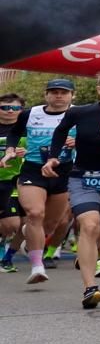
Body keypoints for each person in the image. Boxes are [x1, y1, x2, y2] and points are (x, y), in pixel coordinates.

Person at [45, 68, 100, 307]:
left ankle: (87, 256)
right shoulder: (80, 112)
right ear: (99, 89)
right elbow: (60, 132)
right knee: (89, 225)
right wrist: (53, 157)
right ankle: (90, 288)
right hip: (83, 178)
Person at [16, 78, 76, 282]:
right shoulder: (30, 114)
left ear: (72, 95)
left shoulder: (78, 114)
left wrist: (77, 141)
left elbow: (94, 137)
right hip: (33, 170)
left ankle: (30, 233)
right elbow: (14, 132)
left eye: (64, 92)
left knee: (50, 225)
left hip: (63, 172)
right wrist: (12, 149)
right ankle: (37, 266)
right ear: (46, 94)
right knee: (35, 213)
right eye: (54, 92)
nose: (59, 96)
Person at [0, 94, 28, 273]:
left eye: (16, 108)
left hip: (24, 180)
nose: (10, 111)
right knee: (12, 223)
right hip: (2, 180)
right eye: (5, 107)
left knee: (27, 225)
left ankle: (8, 257)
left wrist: (27, 151)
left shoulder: (28, 128)